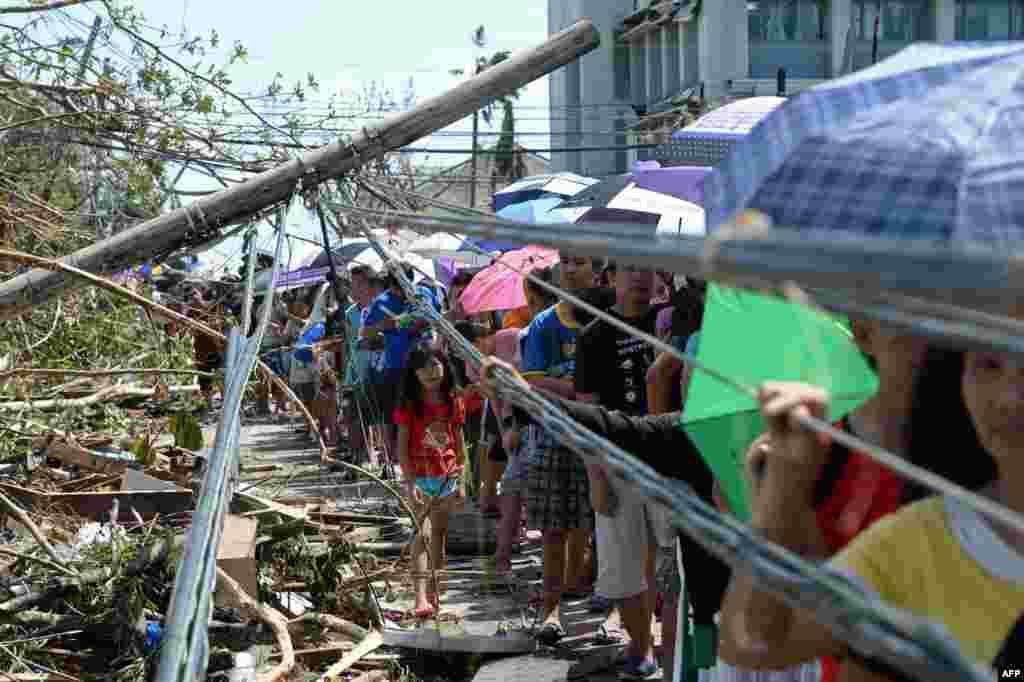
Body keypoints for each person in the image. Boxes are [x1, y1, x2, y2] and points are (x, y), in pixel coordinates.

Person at [717, 342, 1013, 678]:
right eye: (989, 364)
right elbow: (753, 637)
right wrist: (781, 491)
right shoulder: (915, 535)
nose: (1011, 396)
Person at [575, 262, 663, 680]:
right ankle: (641, 647)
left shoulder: (670, 322)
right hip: (615, 462)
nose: (640, 277)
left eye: (647, 268)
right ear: (611, 278)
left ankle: (671, 646)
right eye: (630, 269)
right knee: (623, 563)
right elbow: (587, 414)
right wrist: (595, 476)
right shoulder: (593, 336)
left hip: (671, 460)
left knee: (671, 559)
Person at [517, 253, 599, 646]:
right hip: (553, 437)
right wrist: (579, 389)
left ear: (597, 271)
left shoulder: (605, 318)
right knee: (553, 529)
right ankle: (551, 609)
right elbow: (533, 380)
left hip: (600, 438)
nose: (572, 268)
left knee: (596, 527)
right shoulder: (544, 324)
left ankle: (600, 605)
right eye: (566, 262)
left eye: (580, 262)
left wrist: (571, 389)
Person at [395, 346, 468, 618]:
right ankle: (420, 598)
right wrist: (409, 482)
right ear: (414, 373)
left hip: (446, 477)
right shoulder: (409, 405)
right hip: (419, 477)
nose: (430, 371)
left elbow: (460, 445)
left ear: (445, 367)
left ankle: (436, 589)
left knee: (439, 534)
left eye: (435, 364)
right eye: (423, 367)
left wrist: (461, 479)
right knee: (421, 535)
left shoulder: (453, 401)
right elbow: (402, 449)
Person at [361, 266, 431, 471]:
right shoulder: (381, 302)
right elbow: (365, 332)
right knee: (397, 414)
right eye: (398, 289)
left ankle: (425, 455)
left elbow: (438, 317)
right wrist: (383, 326)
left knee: (424, 409)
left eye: (407, 287)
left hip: (424, 363)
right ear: (391, 286)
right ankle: (395, 460)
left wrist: (423, 322)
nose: (403, 293)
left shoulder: (423, 294)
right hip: (397, 366)